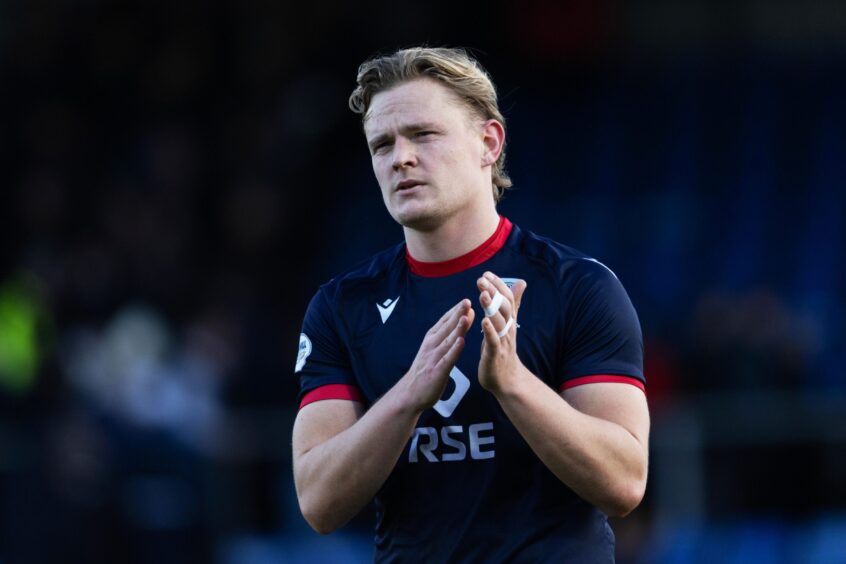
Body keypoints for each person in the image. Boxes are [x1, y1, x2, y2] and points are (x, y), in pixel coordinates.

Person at [291, 46, 649, 562]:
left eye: (422, 134)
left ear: (488, 141)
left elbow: (624, 483)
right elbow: (318, 502)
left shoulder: (578, 287)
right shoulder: (341, 306)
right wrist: (409, 396)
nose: (401, 157)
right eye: (382, 144)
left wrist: (513, 384)